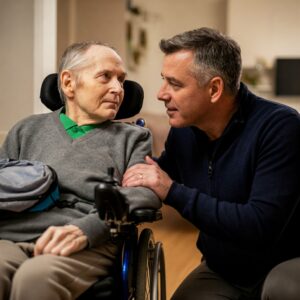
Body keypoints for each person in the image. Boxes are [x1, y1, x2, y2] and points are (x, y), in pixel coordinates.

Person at [122, 27, 300, 299]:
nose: (160, 94)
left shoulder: (280, 127)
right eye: (163, 81)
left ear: (215, 89)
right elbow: (158, 174)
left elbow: (258, 226)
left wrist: (173, 191)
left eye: (175, 84)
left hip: (283, 265)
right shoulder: (184, 132)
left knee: (282, 289)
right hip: (224, 270)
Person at [0, 41, 160, 300]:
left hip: (86, 239)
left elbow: (145, 193)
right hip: (12, 236)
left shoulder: (132, 138)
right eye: (105, 77)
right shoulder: (25, 130)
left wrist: (88, 229)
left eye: (121, 80)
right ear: (68, 83)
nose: (117, 88)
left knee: (35, 279)